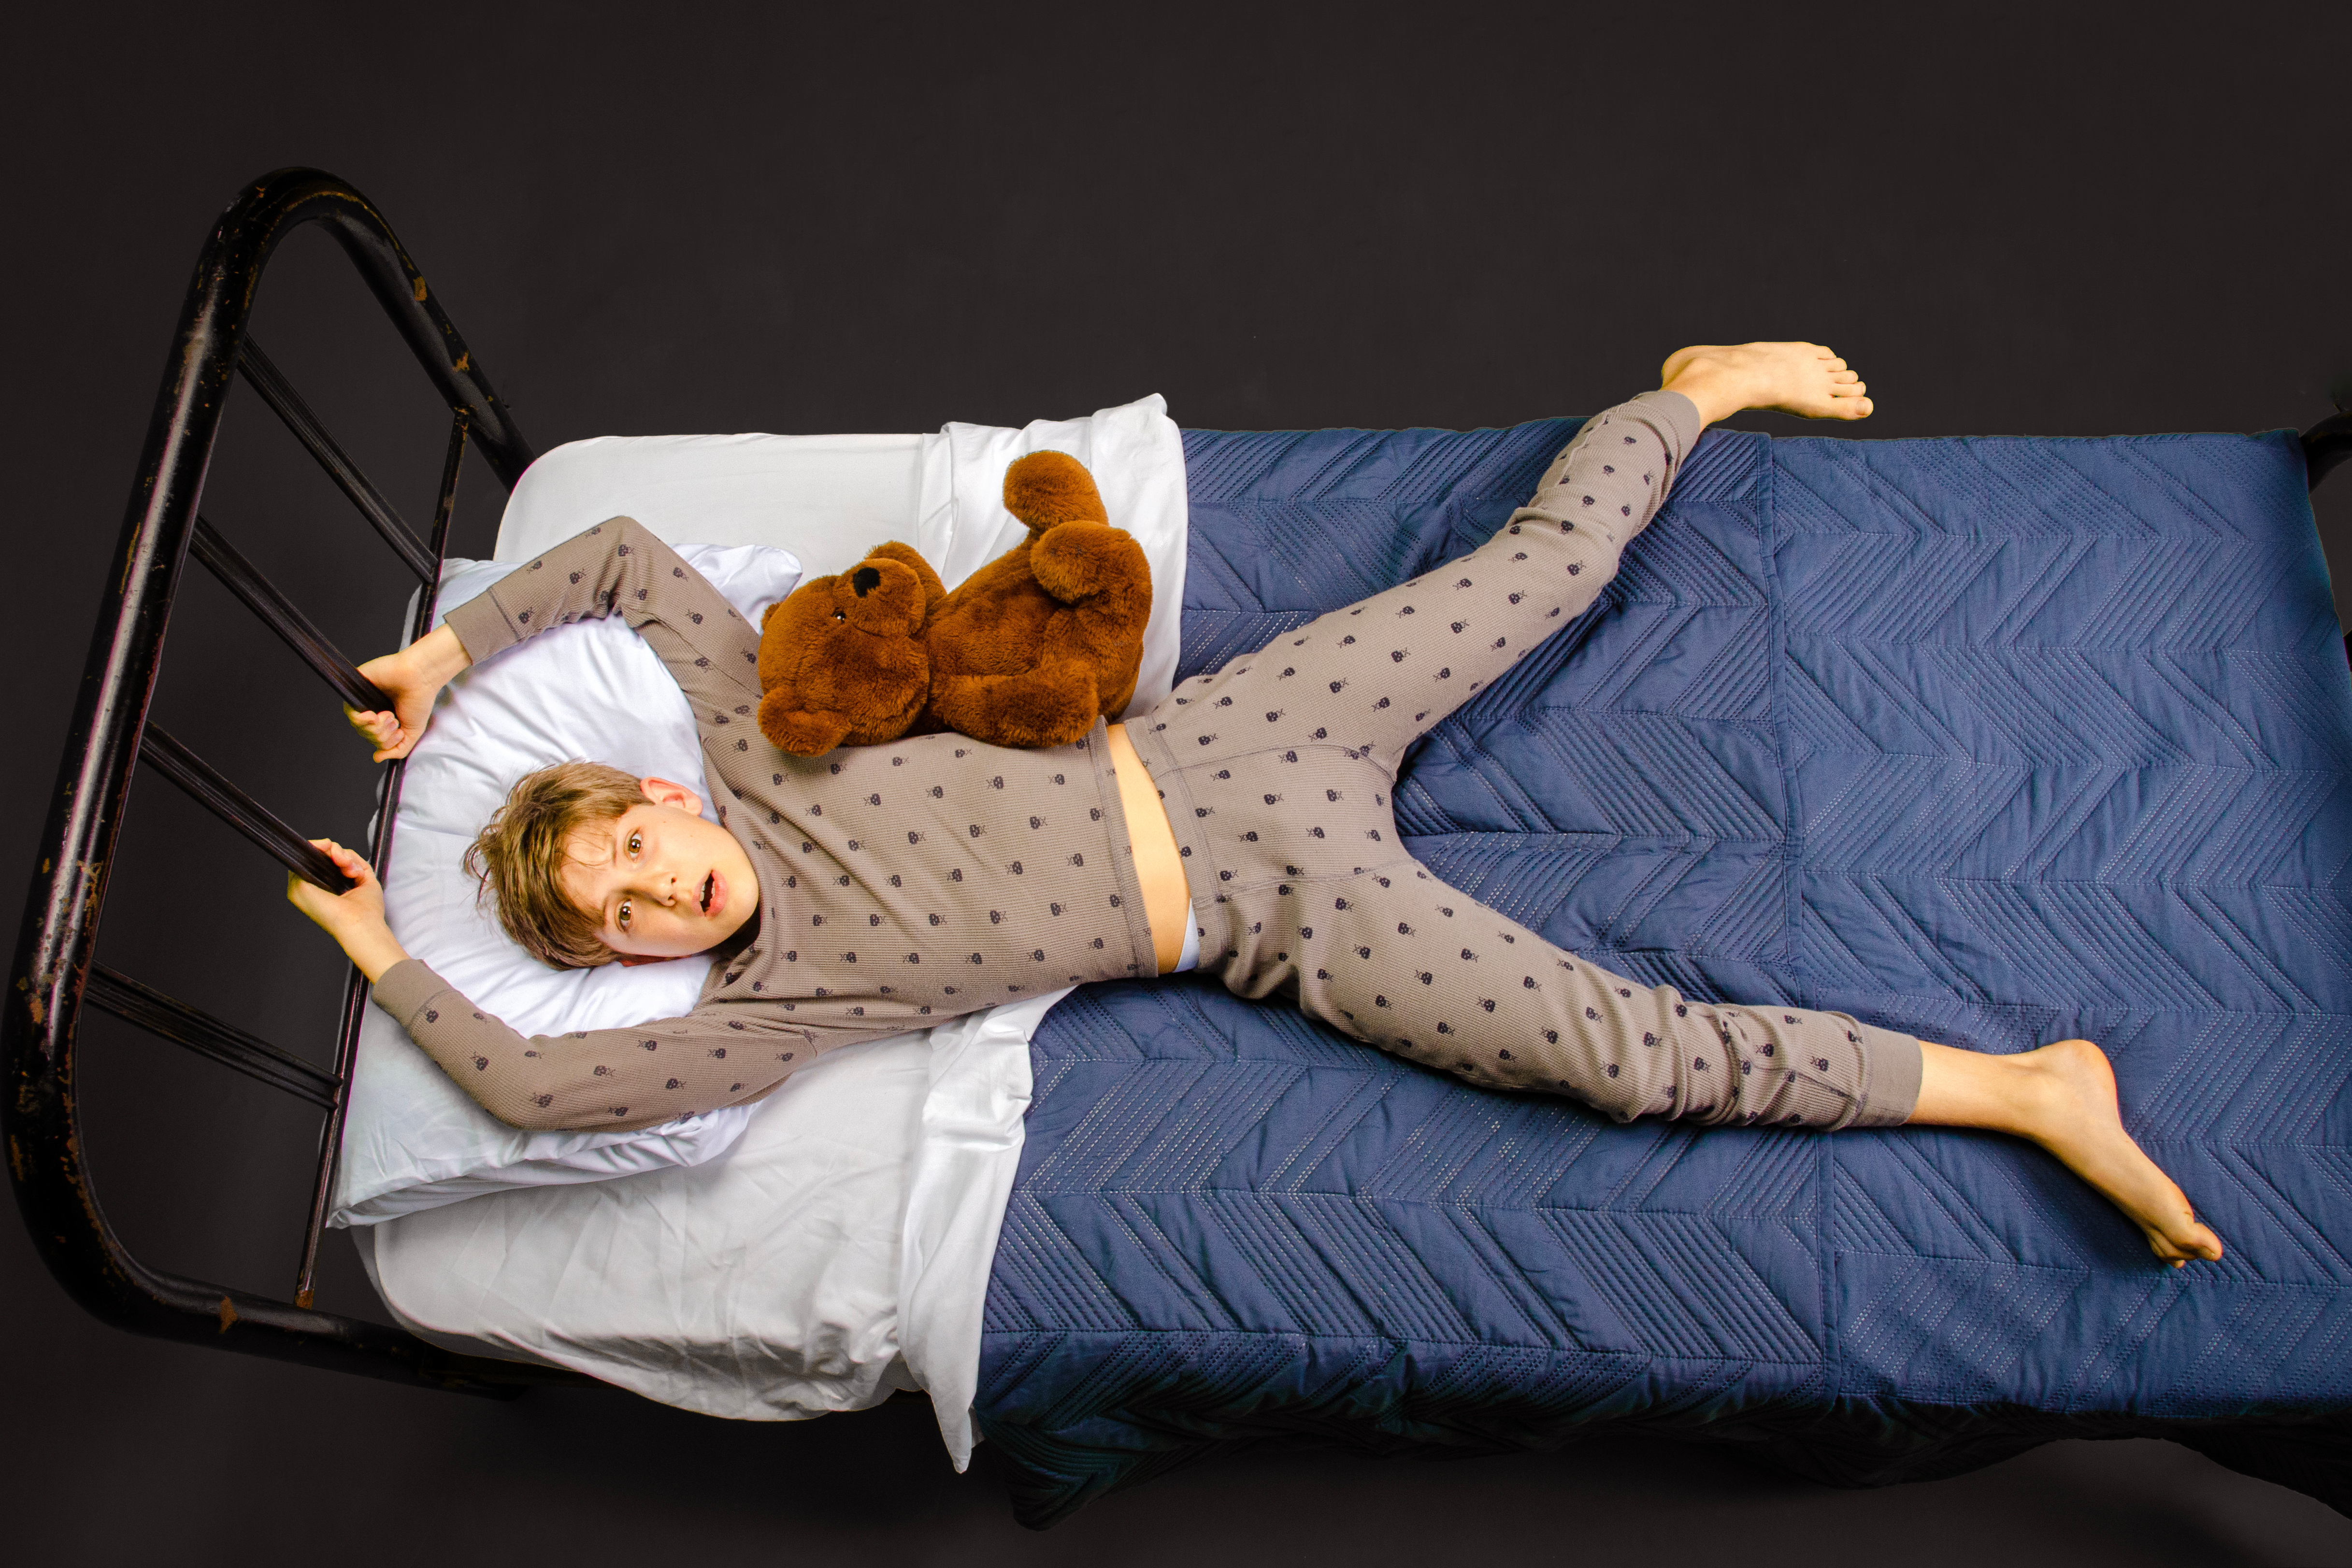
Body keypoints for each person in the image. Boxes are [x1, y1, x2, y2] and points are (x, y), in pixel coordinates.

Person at [289, 341, 2225, 1269]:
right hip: (1254, 925)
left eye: (633, 845)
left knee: (1542, 579)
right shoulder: (761, 1018)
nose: (656, 891)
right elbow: (540, 1088)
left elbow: (621, 551)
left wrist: (454, 657)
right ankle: (2025, 1084)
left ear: (653, 787)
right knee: (1615, 1055)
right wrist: (387, 948)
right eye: (618, 916)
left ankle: (1689, 395)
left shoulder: (756, 741)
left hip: (1219, 744)